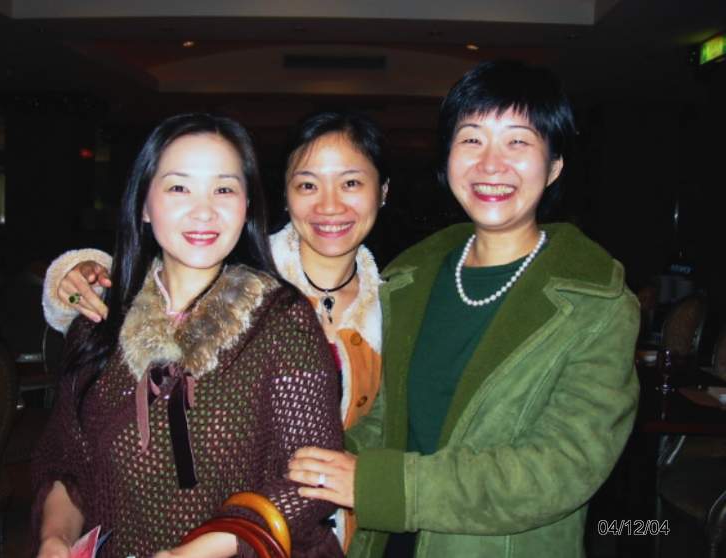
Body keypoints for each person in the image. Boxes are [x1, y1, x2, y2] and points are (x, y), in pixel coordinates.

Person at [287, 60, 640, 558]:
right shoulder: (410, 279)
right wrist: (317, 463)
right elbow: (389, 418)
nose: (491, 164)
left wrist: (377, 485)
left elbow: (561, 468)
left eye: (518, 142)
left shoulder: (596, 303)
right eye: (472, 139)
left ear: (555, 165)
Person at [41, 112, 390, 549]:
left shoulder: (285, 321)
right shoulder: (99, 322)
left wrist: (196, 550)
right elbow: (68, 466)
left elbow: (308, 478)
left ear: (247, 206)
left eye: (223, 189)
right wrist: (54, 538)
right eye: (179, 187)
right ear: (144, 204)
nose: (203, 210)